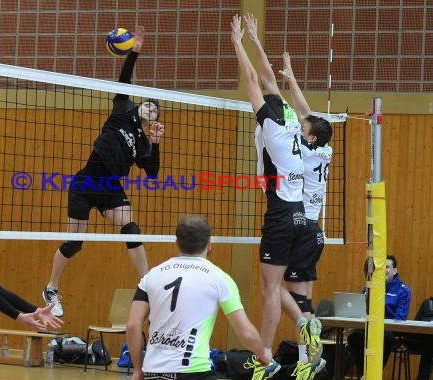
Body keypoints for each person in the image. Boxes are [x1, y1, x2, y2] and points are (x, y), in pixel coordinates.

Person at [43, 25, 165, 318]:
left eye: (156, 111)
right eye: (149, 105)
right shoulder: (122, 109)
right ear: (139, 105)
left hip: (111, 186)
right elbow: (124, 80)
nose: (152, 110)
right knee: (75, 243)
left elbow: (152, 174)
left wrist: (156, 142)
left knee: (131, 228)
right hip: (86, 182)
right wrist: (135, 51)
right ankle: (51, 287)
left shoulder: (143, 142)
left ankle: (146, 281)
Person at [231, 13, 327, 377]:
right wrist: (254, 40)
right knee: (287, 288)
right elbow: (268, 80)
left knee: (269, 290)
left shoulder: (271, 128)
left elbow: (255, 80)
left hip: (282, 214)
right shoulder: (294, 127)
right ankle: (303, 340)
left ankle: (267, 358)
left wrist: (237, 42)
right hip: (304, 217)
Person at [126, 214, 281, 380]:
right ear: (209, 243)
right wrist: (263, 352)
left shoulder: (151, 276)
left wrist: (137, 369)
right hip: (194, 372)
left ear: (176, 242)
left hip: (153, 372)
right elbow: (246, 333)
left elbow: (133, 325)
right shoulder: (219, 278)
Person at [347, 255, 411, 376]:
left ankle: (373, 374)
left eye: (387, 267)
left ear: (395, 270)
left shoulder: (403, 290)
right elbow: (363, 312)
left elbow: (400, 318)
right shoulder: (368, 288)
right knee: (354, 337)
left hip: (391, 331)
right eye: (382, 267)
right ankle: (364, 375)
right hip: (370, 328)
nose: (384, 270)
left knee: (384, 339)